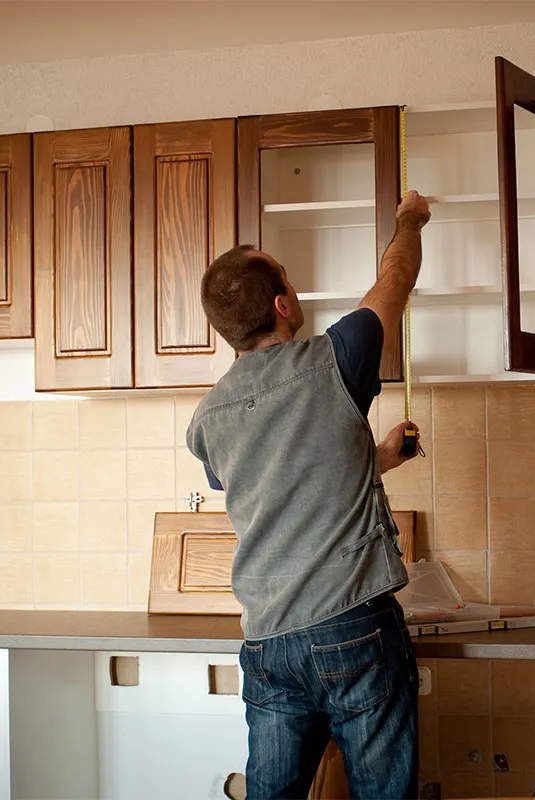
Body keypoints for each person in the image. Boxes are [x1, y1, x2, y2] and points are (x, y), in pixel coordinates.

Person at [187, 190, 432, 800]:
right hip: (353, 624)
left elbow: (281, 485)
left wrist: (375, 460)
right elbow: (395, 278)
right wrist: (411, 219)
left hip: (269, 642)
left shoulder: (206, 420)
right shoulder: (337, 359)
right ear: (282, 304)